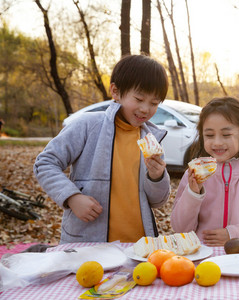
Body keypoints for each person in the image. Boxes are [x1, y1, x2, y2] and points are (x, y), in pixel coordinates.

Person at [34, 55, 171, 244]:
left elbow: (157, 201)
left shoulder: (151, 140)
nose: (146, 109)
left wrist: (156, 177)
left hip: (138, 246)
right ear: (115, 91)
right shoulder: (87, 125)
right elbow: (45, 163)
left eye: (154, 103)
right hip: (88, 244)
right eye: (139, 99)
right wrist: (72, 197)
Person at [171, 97, 239, 246]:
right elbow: (180, 229)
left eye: (226, 135)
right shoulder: (192, 175)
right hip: (203, 259)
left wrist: (234, 234)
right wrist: (193, 193)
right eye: (209, 135)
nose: (217, 142)